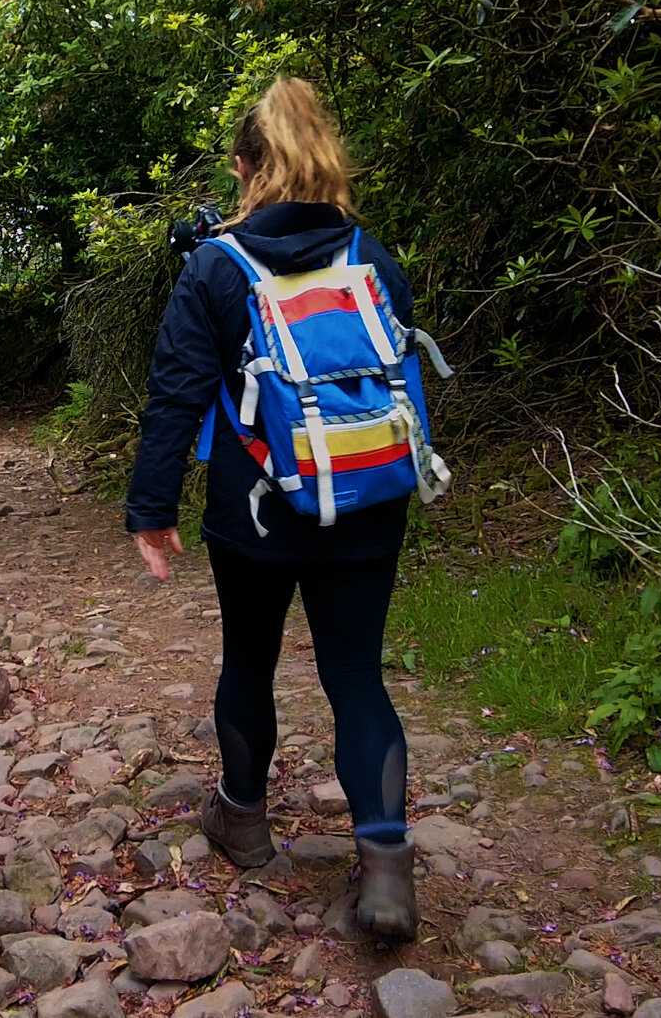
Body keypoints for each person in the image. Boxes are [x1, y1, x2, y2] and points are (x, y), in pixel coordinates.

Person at [125, 77, 423, 939]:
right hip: (366, 500)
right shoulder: (373, 259)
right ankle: (385, 868)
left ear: (245, 167)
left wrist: (151, 507)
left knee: (249, 659)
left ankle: (244, 818)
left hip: (254, 511)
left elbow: (175, 396)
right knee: (356, 677)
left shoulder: (217, 267)